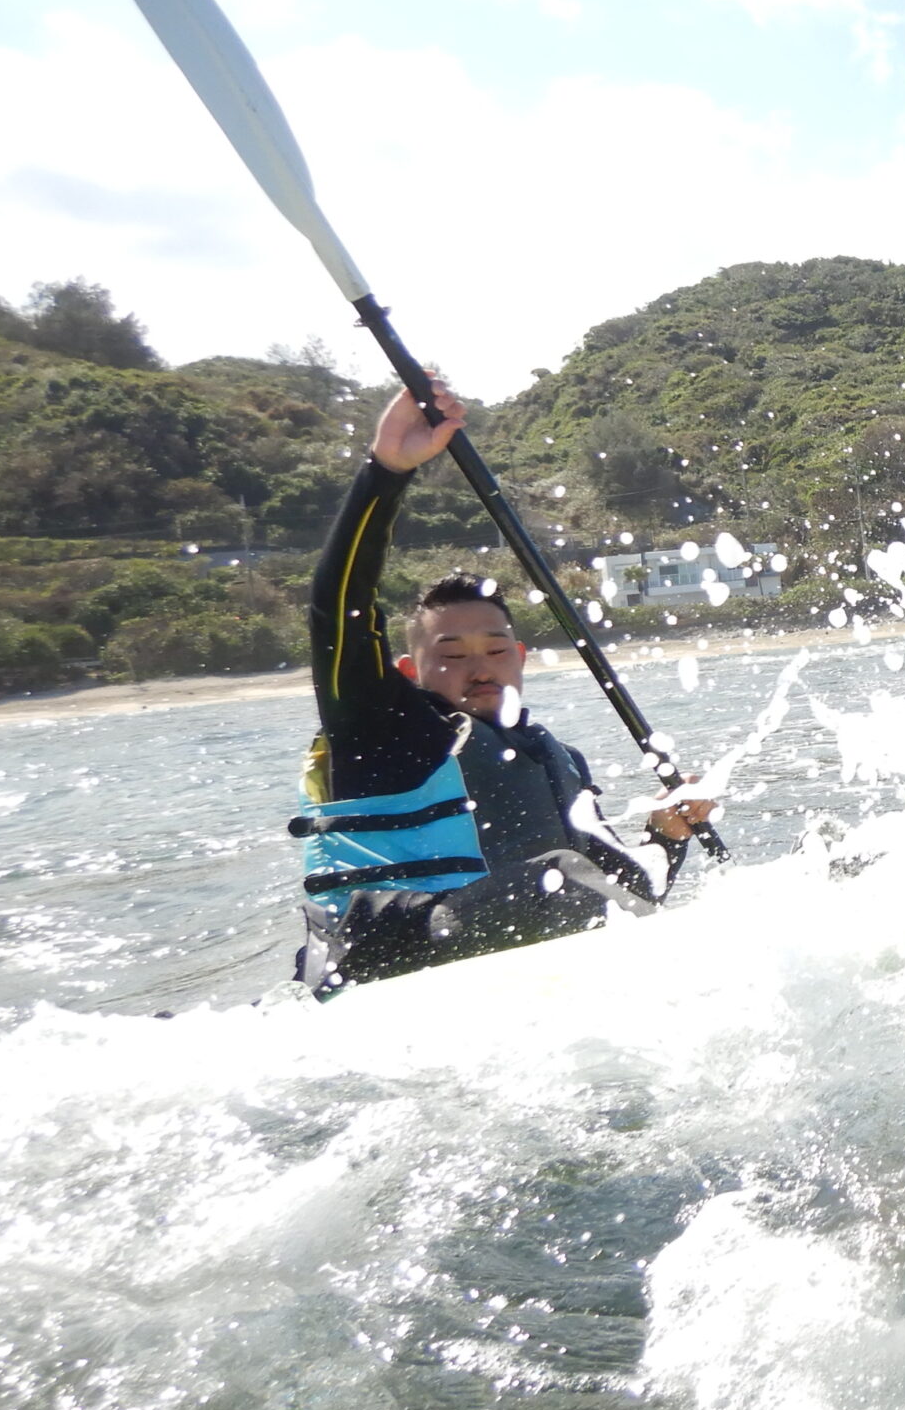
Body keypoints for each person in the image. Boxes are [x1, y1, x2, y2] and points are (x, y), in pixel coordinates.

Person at [291, 377, 715, 994]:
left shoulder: (558, 760)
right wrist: (386, 472)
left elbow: (630, 890)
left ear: (519, 659)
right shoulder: (379, 727)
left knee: (570, 883)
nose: (480, 668)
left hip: (514, 956)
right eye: (452, 654)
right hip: (380, 960)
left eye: (495, 651)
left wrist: (667, 838)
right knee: (556, 882)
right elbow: (338, 611)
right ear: (409, 671)